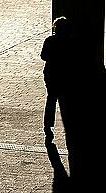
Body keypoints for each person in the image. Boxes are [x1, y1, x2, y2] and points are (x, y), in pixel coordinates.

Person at [40, 16, 71, 144]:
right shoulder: (69, 42)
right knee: (66, 102)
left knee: (51, 101)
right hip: (64, 76)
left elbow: (43, 56)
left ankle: (48, 126)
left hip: (51, 75)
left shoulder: (49, 40)